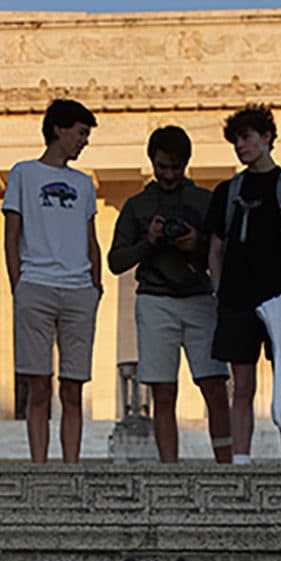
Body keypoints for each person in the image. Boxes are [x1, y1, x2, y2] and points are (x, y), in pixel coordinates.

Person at [108, 125, 231, 464]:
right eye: (162, 167)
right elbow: (115, 261)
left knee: (215, 387)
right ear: (152, 162)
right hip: (155, 298)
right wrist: (148, 241)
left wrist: (198, 243)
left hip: (199, 298)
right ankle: (169, 472)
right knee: (163, 392)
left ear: (186, 164)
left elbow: (227, 252)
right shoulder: (137, 205)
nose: (168, 174)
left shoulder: (205, 201)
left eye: (175, 167)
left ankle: (228, 467)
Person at [206, 104, 281, 465]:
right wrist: (219, 289)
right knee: (241, 385)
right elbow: (216, 247)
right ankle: (241, 458)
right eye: (236, 140)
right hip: (238, 298)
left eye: (247, 138)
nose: (241, 146)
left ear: (267, 138)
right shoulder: (227, 190)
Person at [3, 98, 101, 463]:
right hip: (36, 285)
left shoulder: (84, 183)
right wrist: (19, 284)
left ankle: (71, 465)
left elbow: (91, 238)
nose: (84, 141)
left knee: (73, 387)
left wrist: (95, 285)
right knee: (39, 385)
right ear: (58, 129)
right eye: (81, 133)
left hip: (78, 290)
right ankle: (40, 466)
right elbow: (11, 233)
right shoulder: (24, 174)